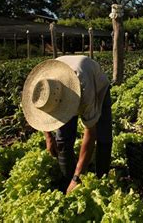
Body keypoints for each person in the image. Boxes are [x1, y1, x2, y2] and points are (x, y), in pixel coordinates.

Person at [21, 55, 112, 193]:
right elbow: (44, 113)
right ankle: (67, 180)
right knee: (62, 140)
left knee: (103, 136)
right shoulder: (43, 85)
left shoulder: (85, 87)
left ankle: (101, 180)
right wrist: (48, 137)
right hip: (62, 88)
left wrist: (77, 177)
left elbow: (90, 132)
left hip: (96, 86)